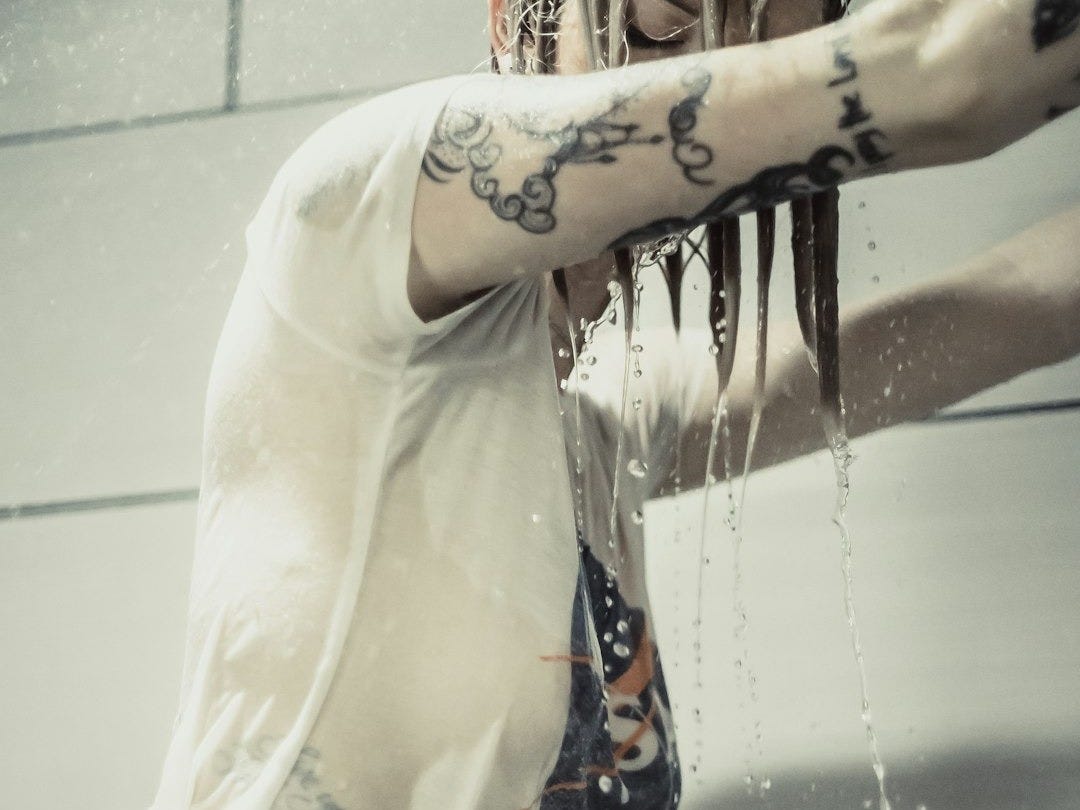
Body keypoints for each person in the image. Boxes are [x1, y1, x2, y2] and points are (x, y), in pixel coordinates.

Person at [148, 0, 1080, 807]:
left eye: (767, 52)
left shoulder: (601, 419)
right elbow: (949, 73)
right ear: (514, 18)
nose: (717, 82)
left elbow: (1015, 304)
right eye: (666, 27)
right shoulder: (364, 196)